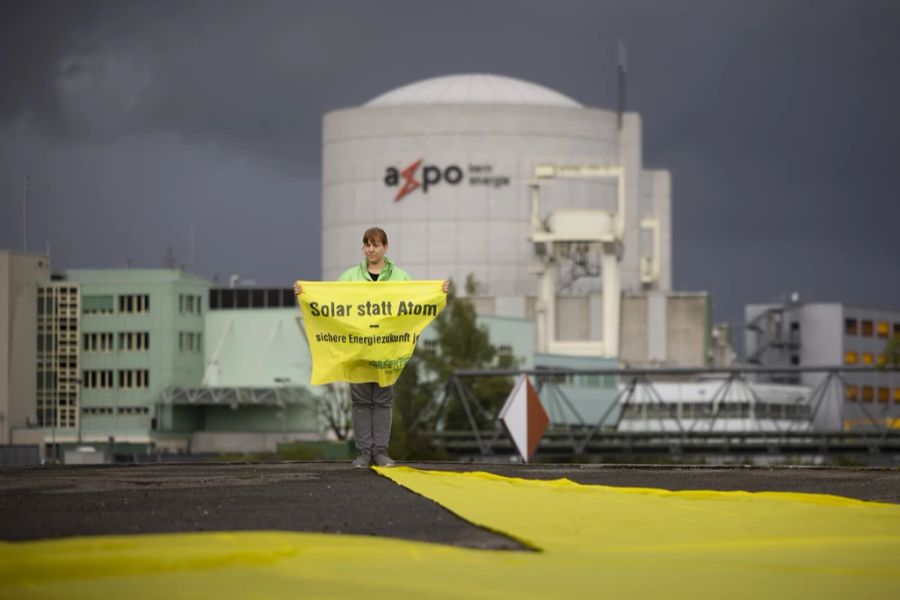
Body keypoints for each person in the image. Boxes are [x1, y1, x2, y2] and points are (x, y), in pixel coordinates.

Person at [294, 227, 448, 468]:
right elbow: (331, 303)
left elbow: (416, 301)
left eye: (376, 244)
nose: (371, 249)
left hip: (387, 351)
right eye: (367, 244)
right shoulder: (349, 278)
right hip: (358, 351)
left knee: (384, 400)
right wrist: (305, 293)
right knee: (361, 401)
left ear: (385, 247)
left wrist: (438, 292)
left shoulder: (401, 278)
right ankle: (364, 453)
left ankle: (381, 452)